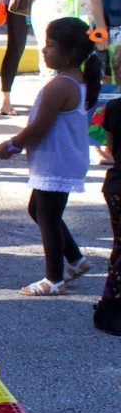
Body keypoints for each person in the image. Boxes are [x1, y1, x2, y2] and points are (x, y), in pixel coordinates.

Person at [0, 16, 98, 297]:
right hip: (60, 159)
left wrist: (12, 145)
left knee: (48, 217)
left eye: (50, 46)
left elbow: (39, 127)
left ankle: (54, 279)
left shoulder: (60, 86)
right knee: (38, 210)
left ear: (70, 52)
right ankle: (76, 260)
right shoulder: (72, 80)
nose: (44, 50)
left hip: (57, 162)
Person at [92, 92, 121, 334]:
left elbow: (110, 147)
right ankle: (110, 311)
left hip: (116, 186)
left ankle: (109, 306)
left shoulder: (114, 107)